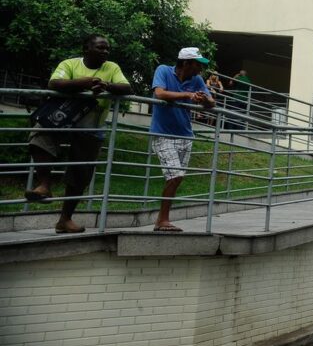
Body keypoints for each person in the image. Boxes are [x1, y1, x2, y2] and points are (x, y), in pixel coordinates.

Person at [25, 34, 132, 233]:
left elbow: (127, 87)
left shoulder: (112, 67)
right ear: (86, 49)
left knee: (81, 172)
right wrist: (85, 83)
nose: (105, 52)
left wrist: (107, 86)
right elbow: (54, 83)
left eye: (107, 48)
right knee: (39, 134)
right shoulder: (70, 64)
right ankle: (44, 185)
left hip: (92, 125)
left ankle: (65, 219)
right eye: (100, 48)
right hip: (63, 116)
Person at [149, 47, 215, 232]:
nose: (201, 69)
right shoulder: (163, 70)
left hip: (185, 135)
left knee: (177, 178)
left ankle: (163, 219)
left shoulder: (197, 80)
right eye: (198, 64)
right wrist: (188, 95)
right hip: (163, 134)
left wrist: (204, 100)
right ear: (186, 63)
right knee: (175, 175)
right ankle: (162, 220)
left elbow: (212, 103)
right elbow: (159, 93)